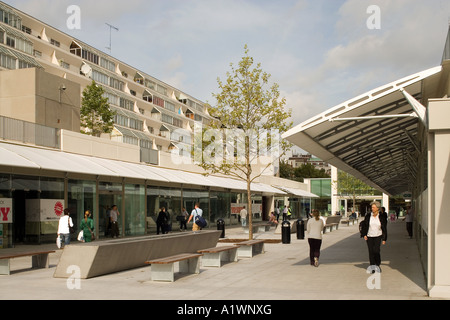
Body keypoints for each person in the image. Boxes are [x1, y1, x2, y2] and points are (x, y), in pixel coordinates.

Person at [360, 201, 387, 273]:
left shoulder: (381, 216)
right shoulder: (368, 216)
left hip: (378, 235)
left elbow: (384, 227)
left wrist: (384, 238)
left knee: (376, 251)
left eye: (374, 207)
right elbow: (364, 226)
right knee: (371, 252)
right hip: (369, 236)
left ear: (377, 208)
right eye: (372, 207)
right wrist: (364, 234)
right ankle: (372, 267)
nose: (372, 208)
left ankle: (377, 265)